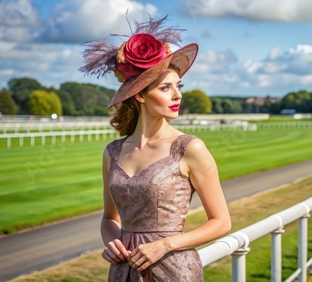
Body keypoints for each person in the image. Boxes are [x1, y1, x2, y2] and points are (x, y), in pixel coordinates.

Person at [79, 16, 231, 281]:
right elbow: (109, 219)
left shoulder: (189, 148)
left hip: (174, 270)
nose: (178, 95)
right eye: (166, 88)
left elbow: (221, 222)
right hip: (123, 271)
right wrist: (112, 242)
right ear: (139, 95)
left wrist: (166, 244)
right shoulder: (112, 152)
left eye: (178, 86)